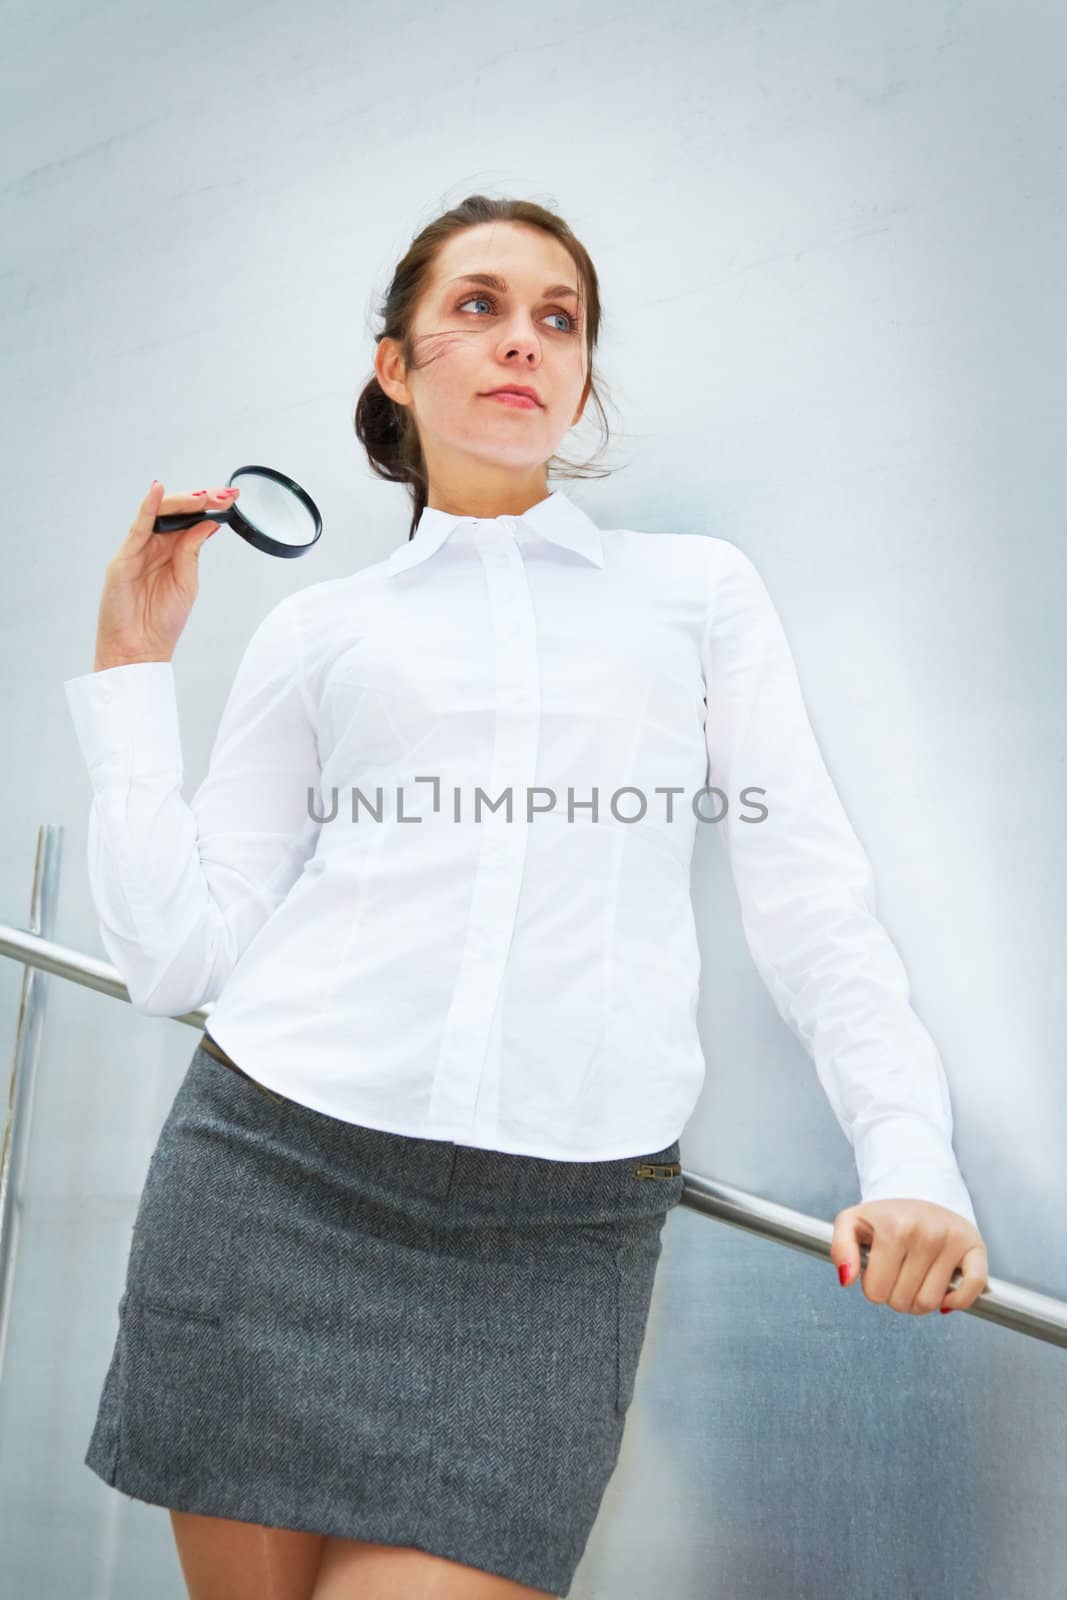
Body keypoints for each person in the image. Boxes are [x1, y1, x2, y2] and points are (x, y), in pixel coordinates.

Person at [64, 194, 989, 1600]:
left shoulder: (697, 596)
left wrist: (909, 1157)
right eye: (481, 306)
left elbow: (810, 894)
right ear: (395, 366)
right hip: (273, 1180)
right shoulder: (323, 631)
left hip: (554, 1242)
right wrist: (133, 670)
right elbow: (176, 957)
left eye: (560, 319)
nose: (525, 342)